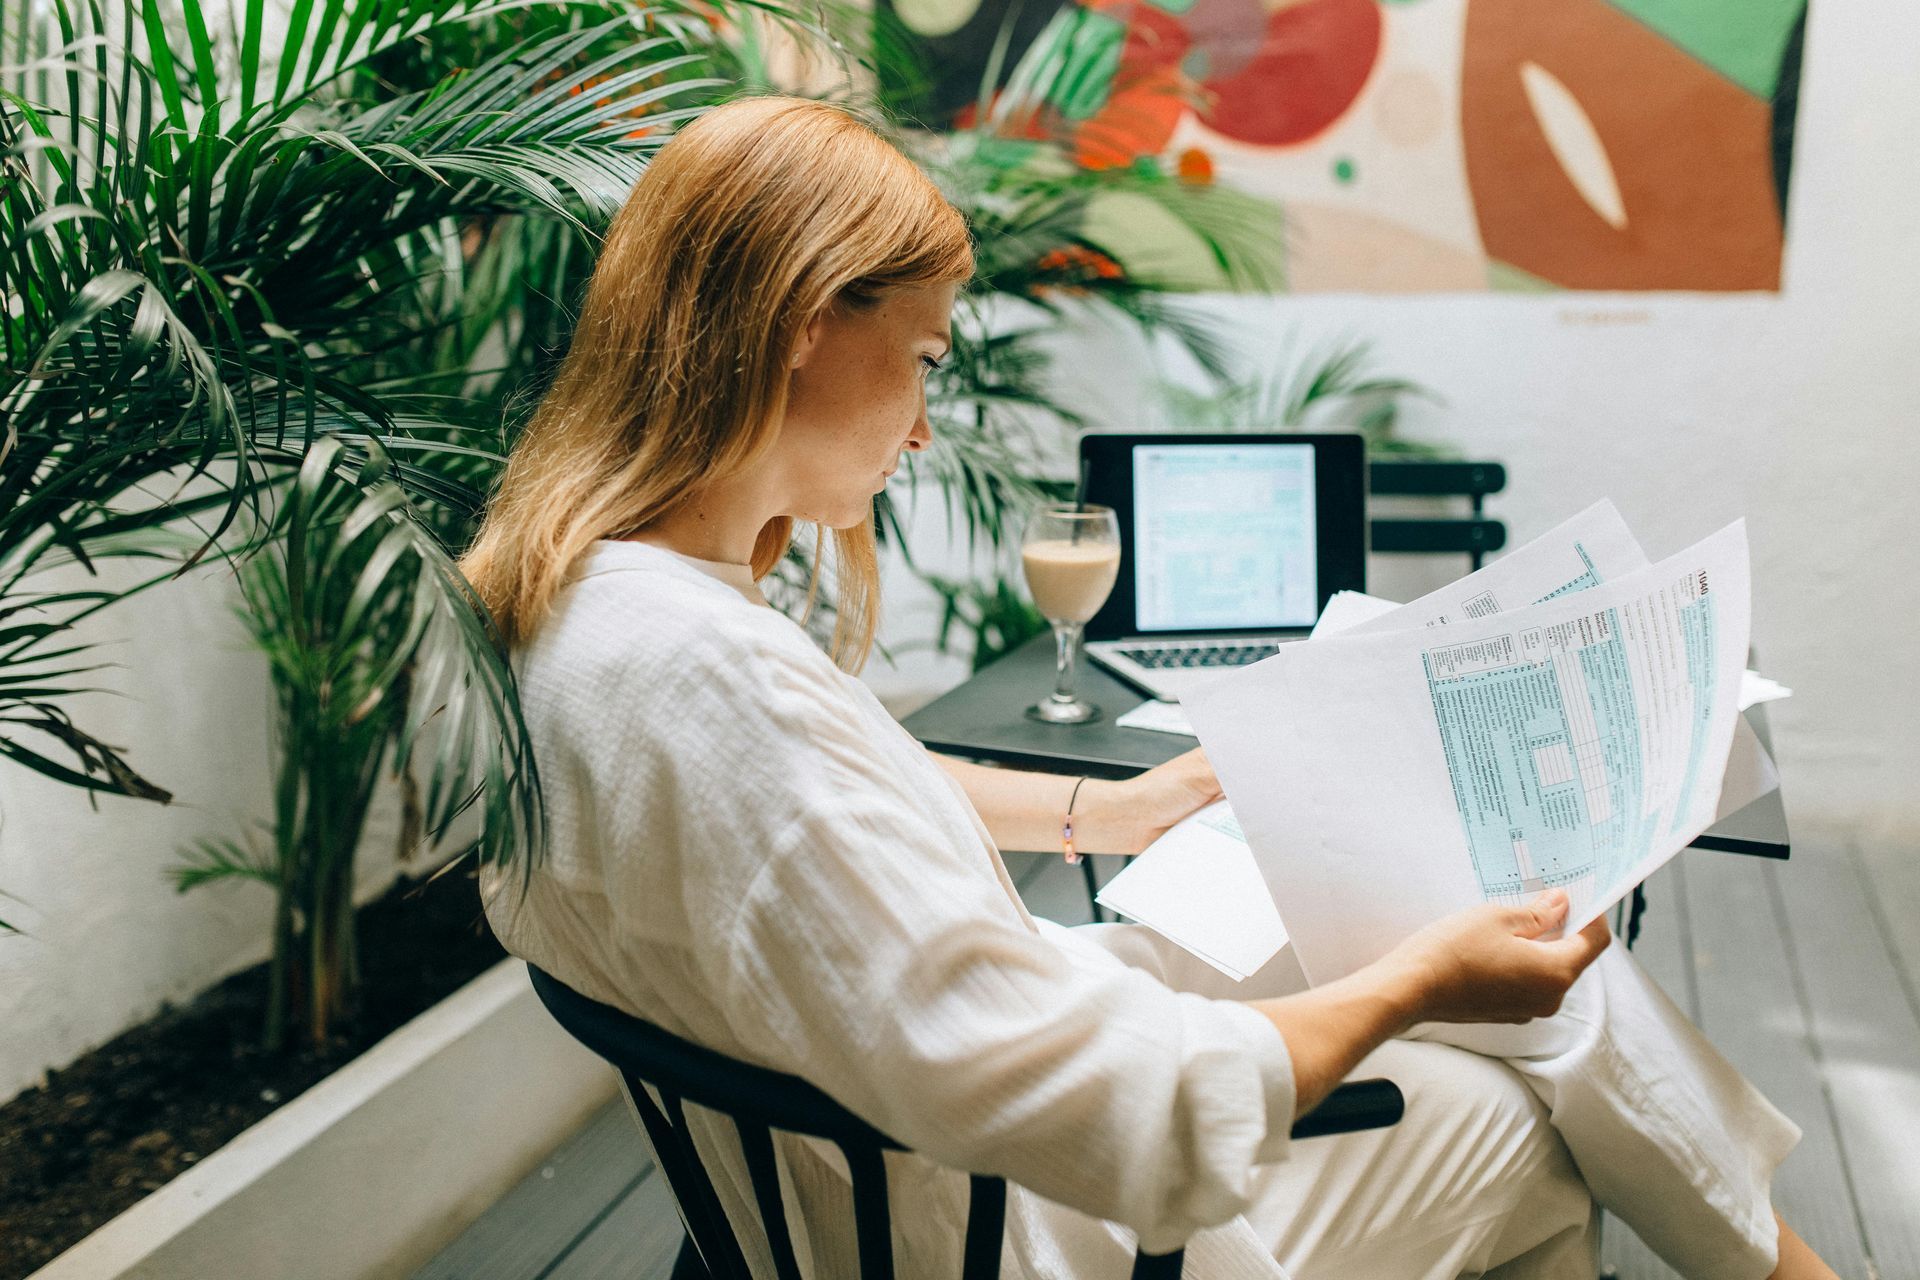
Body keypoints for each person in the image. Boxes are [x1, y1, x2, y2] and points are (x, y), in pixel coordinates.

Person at [460, 95, 1836, 1279]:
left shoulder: (587, 611)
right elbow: (1125, 1100)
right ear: (813, 316)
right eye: (926, 355)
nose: (929, 419)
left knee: (1493, 940)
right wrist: (1420, 984)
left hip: (909, 1119)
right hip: (1043, 1219)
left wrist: (1113, 813)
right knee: (1527, 1111)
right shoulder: (712, 675)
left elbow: (822, 793)